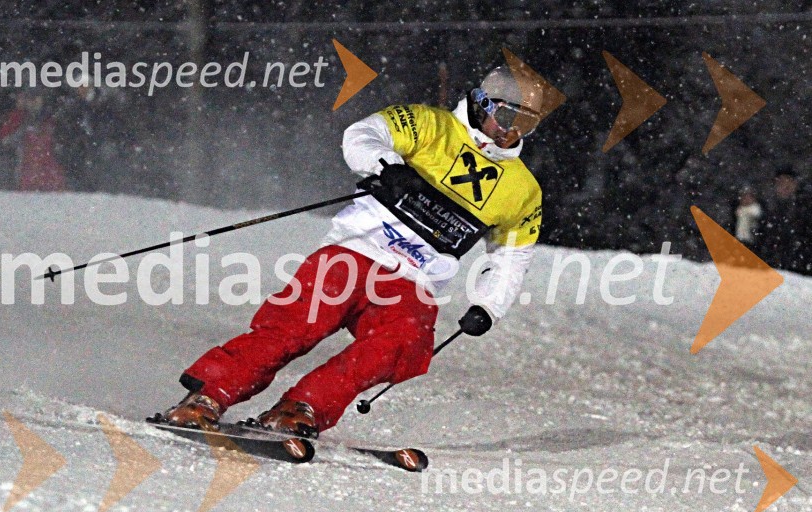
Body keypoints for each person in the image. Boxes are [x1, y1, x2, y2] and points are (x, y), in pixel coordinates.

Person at [157, 61, 546, 437]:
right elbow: (362, 134)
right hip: (356, 251)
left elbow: (513, 255)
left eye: (526, 123)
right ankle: (208, 396)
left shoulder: (522, 189)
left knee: (404, 344)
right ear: (482, 102)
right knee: (296, 326)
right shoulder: (431, 125)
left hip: (414, 279)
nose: (511, 131)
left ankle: (301, 407)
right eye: (508, 116)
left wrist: (489, 306)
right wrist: (386, 167)